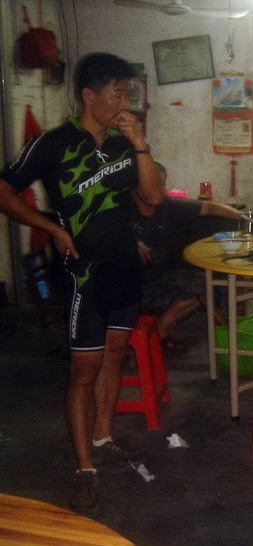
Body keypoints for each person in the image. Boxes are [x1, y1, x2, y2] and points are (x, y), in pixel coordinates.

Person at [0, 53, 164, 509]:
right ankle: (84, 467)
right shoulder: (52, 144)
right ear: (89, 96)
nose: (125, 103)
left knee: (114, 354)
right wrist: (51, 228)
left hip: (124, 266)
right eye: (117, 94)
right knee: (84, 370)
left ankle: (103, 436)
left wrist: (139, 143)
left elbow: (151, 199)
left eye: (128, 94)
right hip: (83, 273)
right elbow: (4, 188)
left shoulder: (123, 144)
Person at [129, 162, 243, 350]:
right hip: (125, 285)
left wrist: (247, 219)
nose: (159, 189)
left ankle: (159, 329)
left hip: (156, 279)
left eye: (162, 183)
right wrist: (131, 242)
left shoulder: (167, 206)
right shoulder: (120, 208)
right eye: (153, 183)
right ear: (136, 186)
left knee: (203, 283)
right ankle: (143, 337)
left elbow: (209, 207)